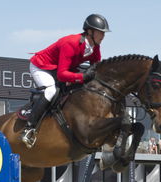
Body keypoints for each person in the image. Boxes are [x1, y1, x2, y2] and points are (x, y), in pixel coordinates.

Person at [21, 14, 110, 148]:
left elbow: (95, 68)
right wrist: (82, 77)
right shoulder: (70, 43)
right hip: (42, 67)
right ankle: (29, 128)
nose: (103, 36)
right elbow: (62, 75)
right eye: (100, 32)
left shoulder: (95, 47)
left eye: (104, 33)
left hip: (60, 68)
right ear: (90, 32)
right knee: (51, 90)